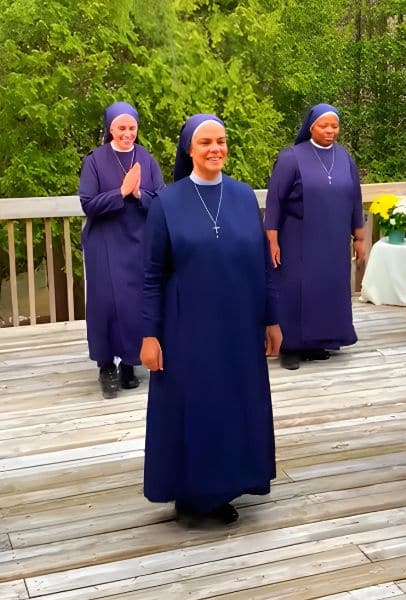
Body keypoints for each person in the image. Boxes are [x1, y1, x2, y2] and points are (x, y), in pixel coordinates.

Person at [140, 114, 282, 524]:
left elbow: (262, 265)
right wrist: (149, 335)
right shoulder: (166, 203)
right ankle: (191, 493)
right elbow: (150, 276)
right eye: (205, 143)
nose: (215, 149)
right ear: (189, 149)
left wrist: (272, 320)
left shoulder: (241, 197)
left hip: (239, 325)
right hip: (187, 330)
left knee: (234, 405)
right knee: (196, 408)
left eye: (221, 141)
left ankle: (225, 488)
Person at [265, 103, 365, 370]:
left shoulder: (345, 158)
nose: (330, 130)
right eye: (324, 125)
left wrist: (360, 237)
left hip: (333, 239)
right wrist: (272, 239)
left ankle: (319, 341)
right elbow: (275, 200)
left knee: (327, 289)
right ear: (311, 127)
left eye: (334, 125)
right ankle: (289, 347)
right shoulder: (291, 157)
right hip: (296, 237)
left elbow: (356, 199)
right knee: (295, 290)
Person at [78, 102, 165, 398]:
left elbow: (162, 201)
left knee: (135, 303)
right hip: (104, 241)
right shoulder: (95, 160)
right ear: (110, 129)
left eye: (132, 128)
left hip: (140, 241)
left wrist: (140, 194)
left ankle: (130, 363)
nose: (127, 133)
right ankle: (106, 365)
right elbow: (88, 203)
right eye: (121, 128)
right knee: (106, 304)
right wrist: (121, 192)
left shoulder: (146, 159)